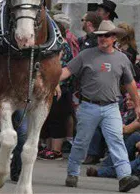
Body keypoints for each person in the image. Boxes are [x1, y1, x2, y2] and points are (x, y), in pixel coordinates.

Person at [59, 20, 140, 192]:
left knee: (116, 141)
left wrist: (138, 106)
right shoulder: (85, 54)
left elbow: (131, 84)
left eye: (107, 35)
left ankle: (124, 177)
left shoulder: (122, 59)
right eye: (100, 35)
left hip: (111, 107)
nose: (103, 38)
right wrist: (52, 79)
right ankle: (72, 172)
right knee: (81, 142)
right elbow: (67, 71)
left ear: (114, 38)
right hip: (89, 106)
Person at [38, 20, 74, 161]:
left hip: (61, 88)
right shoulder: (54, 45)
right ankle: (48, 147)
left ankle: (56, 150)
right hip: (51, 86)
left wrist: (55, 83)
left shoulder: (62, 46)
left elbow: (60, 68)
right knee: (49, 117)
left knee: (57, 118)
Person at [87, 93, 140, 179]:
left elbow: (125, 129)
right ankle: (106, 164)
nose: (127, 102)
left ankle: (104, 169)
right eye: (127, 99)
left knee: (132, 137)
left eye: (131, 100)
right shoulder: (130, 113)